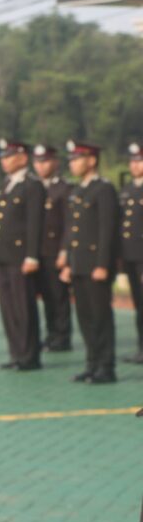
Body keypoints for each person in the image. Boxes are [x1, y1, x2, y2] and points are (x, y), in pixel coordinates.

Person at [59, 140, 118, 384]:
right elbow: (72, 229)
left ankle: (106, 367)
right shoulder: (77, 190)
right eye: (71, 160)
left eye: (77, 159)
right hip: (79, 264)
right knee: (85, 317)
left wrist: (102, 264)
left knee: (100, 316)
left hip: (96, 265)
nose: (72, 163)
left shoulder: (103, 189)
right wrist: (67, 261)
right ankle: (92, 364)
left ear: (91, 161)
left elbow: (107, 230)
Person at [0, 139, 45, 370]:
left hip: (21, 257)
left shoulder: (32, 185)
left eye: (9, 156)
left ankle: (29, 356)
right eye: (3, 157)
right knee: (8, 307)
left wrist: (32, 256)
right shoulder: (7, 183)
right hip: (3, 255)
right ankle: (16, 353)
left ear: (23, 157)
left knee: (23, 307)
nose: (4, 161)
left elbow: (34, 224)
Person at [33, 144, 73, 352]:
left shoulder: (64, 188)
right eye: (37, 162)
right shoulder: (34, 187)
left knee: (58, 297)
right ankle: (51, 335)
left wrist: (65, 251)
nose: (41, 166)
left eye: (45, 161)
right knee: (46, 296)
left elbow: (69, 224)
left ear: (55, 163)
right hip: (37, 251)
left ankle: (62, 336)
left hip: (55, 251)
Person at [119, 142, 143, 365]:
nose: (135, 165)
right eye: (132, 161)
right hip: (130, 256)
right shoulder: (127, 189)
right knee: (139, 303)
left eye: (139, 160)